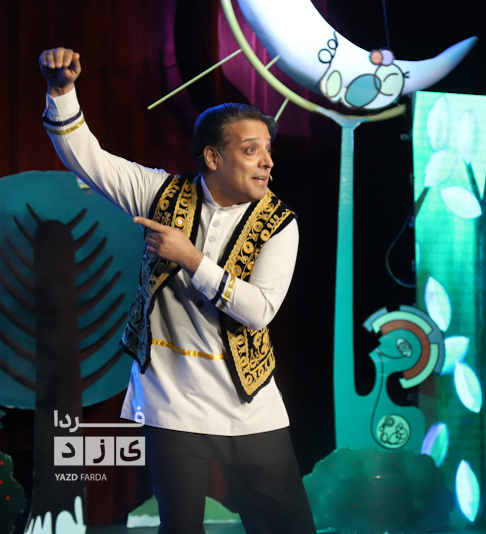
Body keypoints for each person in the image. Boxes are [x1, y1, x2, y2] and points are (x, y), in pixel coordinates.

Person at [40, 47, 316, 534]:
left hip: (247, 405)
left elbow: (258, 311)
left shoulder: (279, 224)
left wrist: (191, 258)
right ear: (213, 156)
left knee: (285, 527)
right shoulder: (159, 193)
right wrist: (62, 91)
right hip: (171, 402)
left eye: (268, 150)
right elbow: (88, 159)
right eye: (251, 150)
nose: (267, 162)